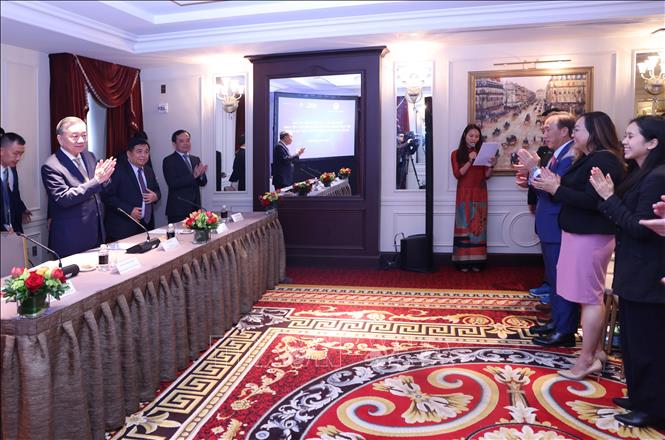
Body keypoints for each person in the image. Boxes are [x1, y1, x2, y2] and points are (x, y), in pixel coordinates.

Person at [532, 111, 625, 379]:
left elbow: (594, 201)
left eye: (579, 129)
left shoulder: (604, 159)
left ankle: (586, 360)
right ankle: (595, 352)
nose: (574, 134)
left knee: (590, 299)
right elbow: (577, 192)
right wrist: (555, 185)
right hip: (580, 234)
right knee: (586, 297)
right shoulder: (589, 157)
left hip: (591, 236)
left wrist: (556, 189)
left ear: (594, 133)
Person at [589, 115, 665, 428]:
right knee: (634, 341)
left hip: (648, 272)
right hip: (634, 268)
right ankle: (639, 397)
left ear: (653, 142)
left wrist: (609, 197)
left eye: (632, 136)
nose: (624, 140)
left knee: (649, 344)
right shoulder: (639, 173)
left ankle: (653, 407)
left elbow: (640, 228)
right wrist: (608, 197)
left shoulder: (658, 177)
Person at [516, 112, 580, 347]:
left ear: (564, 131)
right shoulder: (558, 154)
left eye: (547, 129)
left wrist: (533, 169)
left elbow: (555, 190)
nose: (543, 134)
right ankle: (557, 320)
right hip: (549, 223)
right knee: (553, 277)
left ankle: (565, 330)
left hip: (557, 224)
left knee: (561, 278)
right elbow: (545, 187)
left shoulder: (570, 156)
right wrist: (530, 177)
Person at [41, 116, 116, 257]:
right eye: (75, 136)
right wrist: (97, 180)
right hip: (71, 237)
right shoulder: (51, 165)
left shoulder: (89, 156)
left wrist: (105, 179)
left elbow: (99, 188)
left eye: (84, 135)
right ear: (60, 139)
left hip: (96, 232)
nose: (81, 140)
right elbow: (63, 198)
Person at [450, 123, 496, 272]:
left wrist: (491, 165)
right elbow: (458, 174)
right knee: (464, 225)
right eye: (471, 135)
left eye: (477, 136)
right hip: (464, 193)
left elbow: (486, 176)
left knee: (478, 227)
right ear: (465, 136)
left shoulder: (483, 153)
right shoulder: (456, 153)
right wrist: (470, 160)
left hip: (480, 192)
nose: (474, 138)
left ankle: (478, 262)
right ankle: (463, 262)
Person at [102, 137, 161, 241]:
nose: (143, 155)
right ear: (129, 154)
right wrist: (129, 210)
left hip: (146, 226)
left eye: (146, 152)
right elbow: (107, 197)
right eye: (139, 151)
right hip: (123, 228)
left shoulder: (148, 170)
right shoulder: (117, 170)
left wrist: (155, 196)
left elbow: (157, 190)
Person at [163, 129, 208, 223]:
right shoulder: (168, 160)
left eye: (188, 140)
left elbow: (203, 183)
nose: (186, 143)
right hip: (178, 210)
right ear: (174, 144)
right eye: (181, 141)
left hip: (195, 208)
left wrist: (201, 176)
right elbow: (173, 183)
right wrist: (194, 176)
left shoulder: (195, 159)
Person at [1, 131, 31, 233]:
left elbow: (13, 193)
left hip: (15, 228)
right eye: (15, 153)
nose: (18, 158)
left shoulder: (12, 167)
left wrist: (21, 209)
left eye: (21, 154)